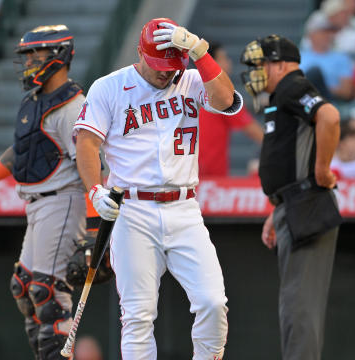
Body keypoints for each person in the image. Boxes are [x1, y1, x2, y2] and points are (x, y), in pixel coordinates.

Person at [74, 17, 240, 359]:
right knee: (137, 316)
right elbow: (87, 144)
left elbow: (225, 101)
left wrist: (199, 52)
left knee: (212, 302)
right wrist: (95, 191)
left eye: (172, 64)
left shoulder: (191, 78)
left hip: (184, 207)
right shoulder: (109, 86)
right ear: (140, 53)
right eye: (159, 64)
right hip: (132, 209)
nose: (166, 72)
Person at [0, 25, 86, 360]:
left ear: (59, 56)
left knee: (49, 292)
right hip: (38, 204)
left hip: (64, 199)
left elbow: (91, 166)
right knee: (25, 288)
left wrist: (96, 230)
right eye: (27, 56)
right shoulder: (34, 101)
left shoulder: (74, 106)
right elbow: (21, 151)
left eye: (36, 55)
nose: (29, 63)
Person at [240, 34, 341, 360]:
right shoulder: (282, 94)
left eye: (261, 64)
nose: (256, 72)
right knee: (293, 306)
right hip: (293, 204)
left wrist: (323, 170)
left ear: (280, 64)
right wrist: (276, 209)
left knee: (300, 308)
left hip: (306, 204)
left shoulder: (293, 86)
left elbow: (330, 116)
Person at [199, 42, 262, 177]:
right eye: (224, 58)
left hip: (188, 174)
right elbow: (254, 131)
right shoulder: (221, 94)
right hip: (211, 178)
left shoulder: (189, 88)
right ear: (210, 63)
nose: (228, 62)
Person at [300, 10, 355, 101]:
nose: (327, 36)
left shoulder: (341, 58)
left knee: (315, 73)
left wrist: (321, 88)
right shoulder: (298, 57)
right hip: (302, 102)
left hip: (328, 101)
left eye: (329, 32)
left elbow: (347, 92)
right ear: (311, 35)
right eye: (322, 32)